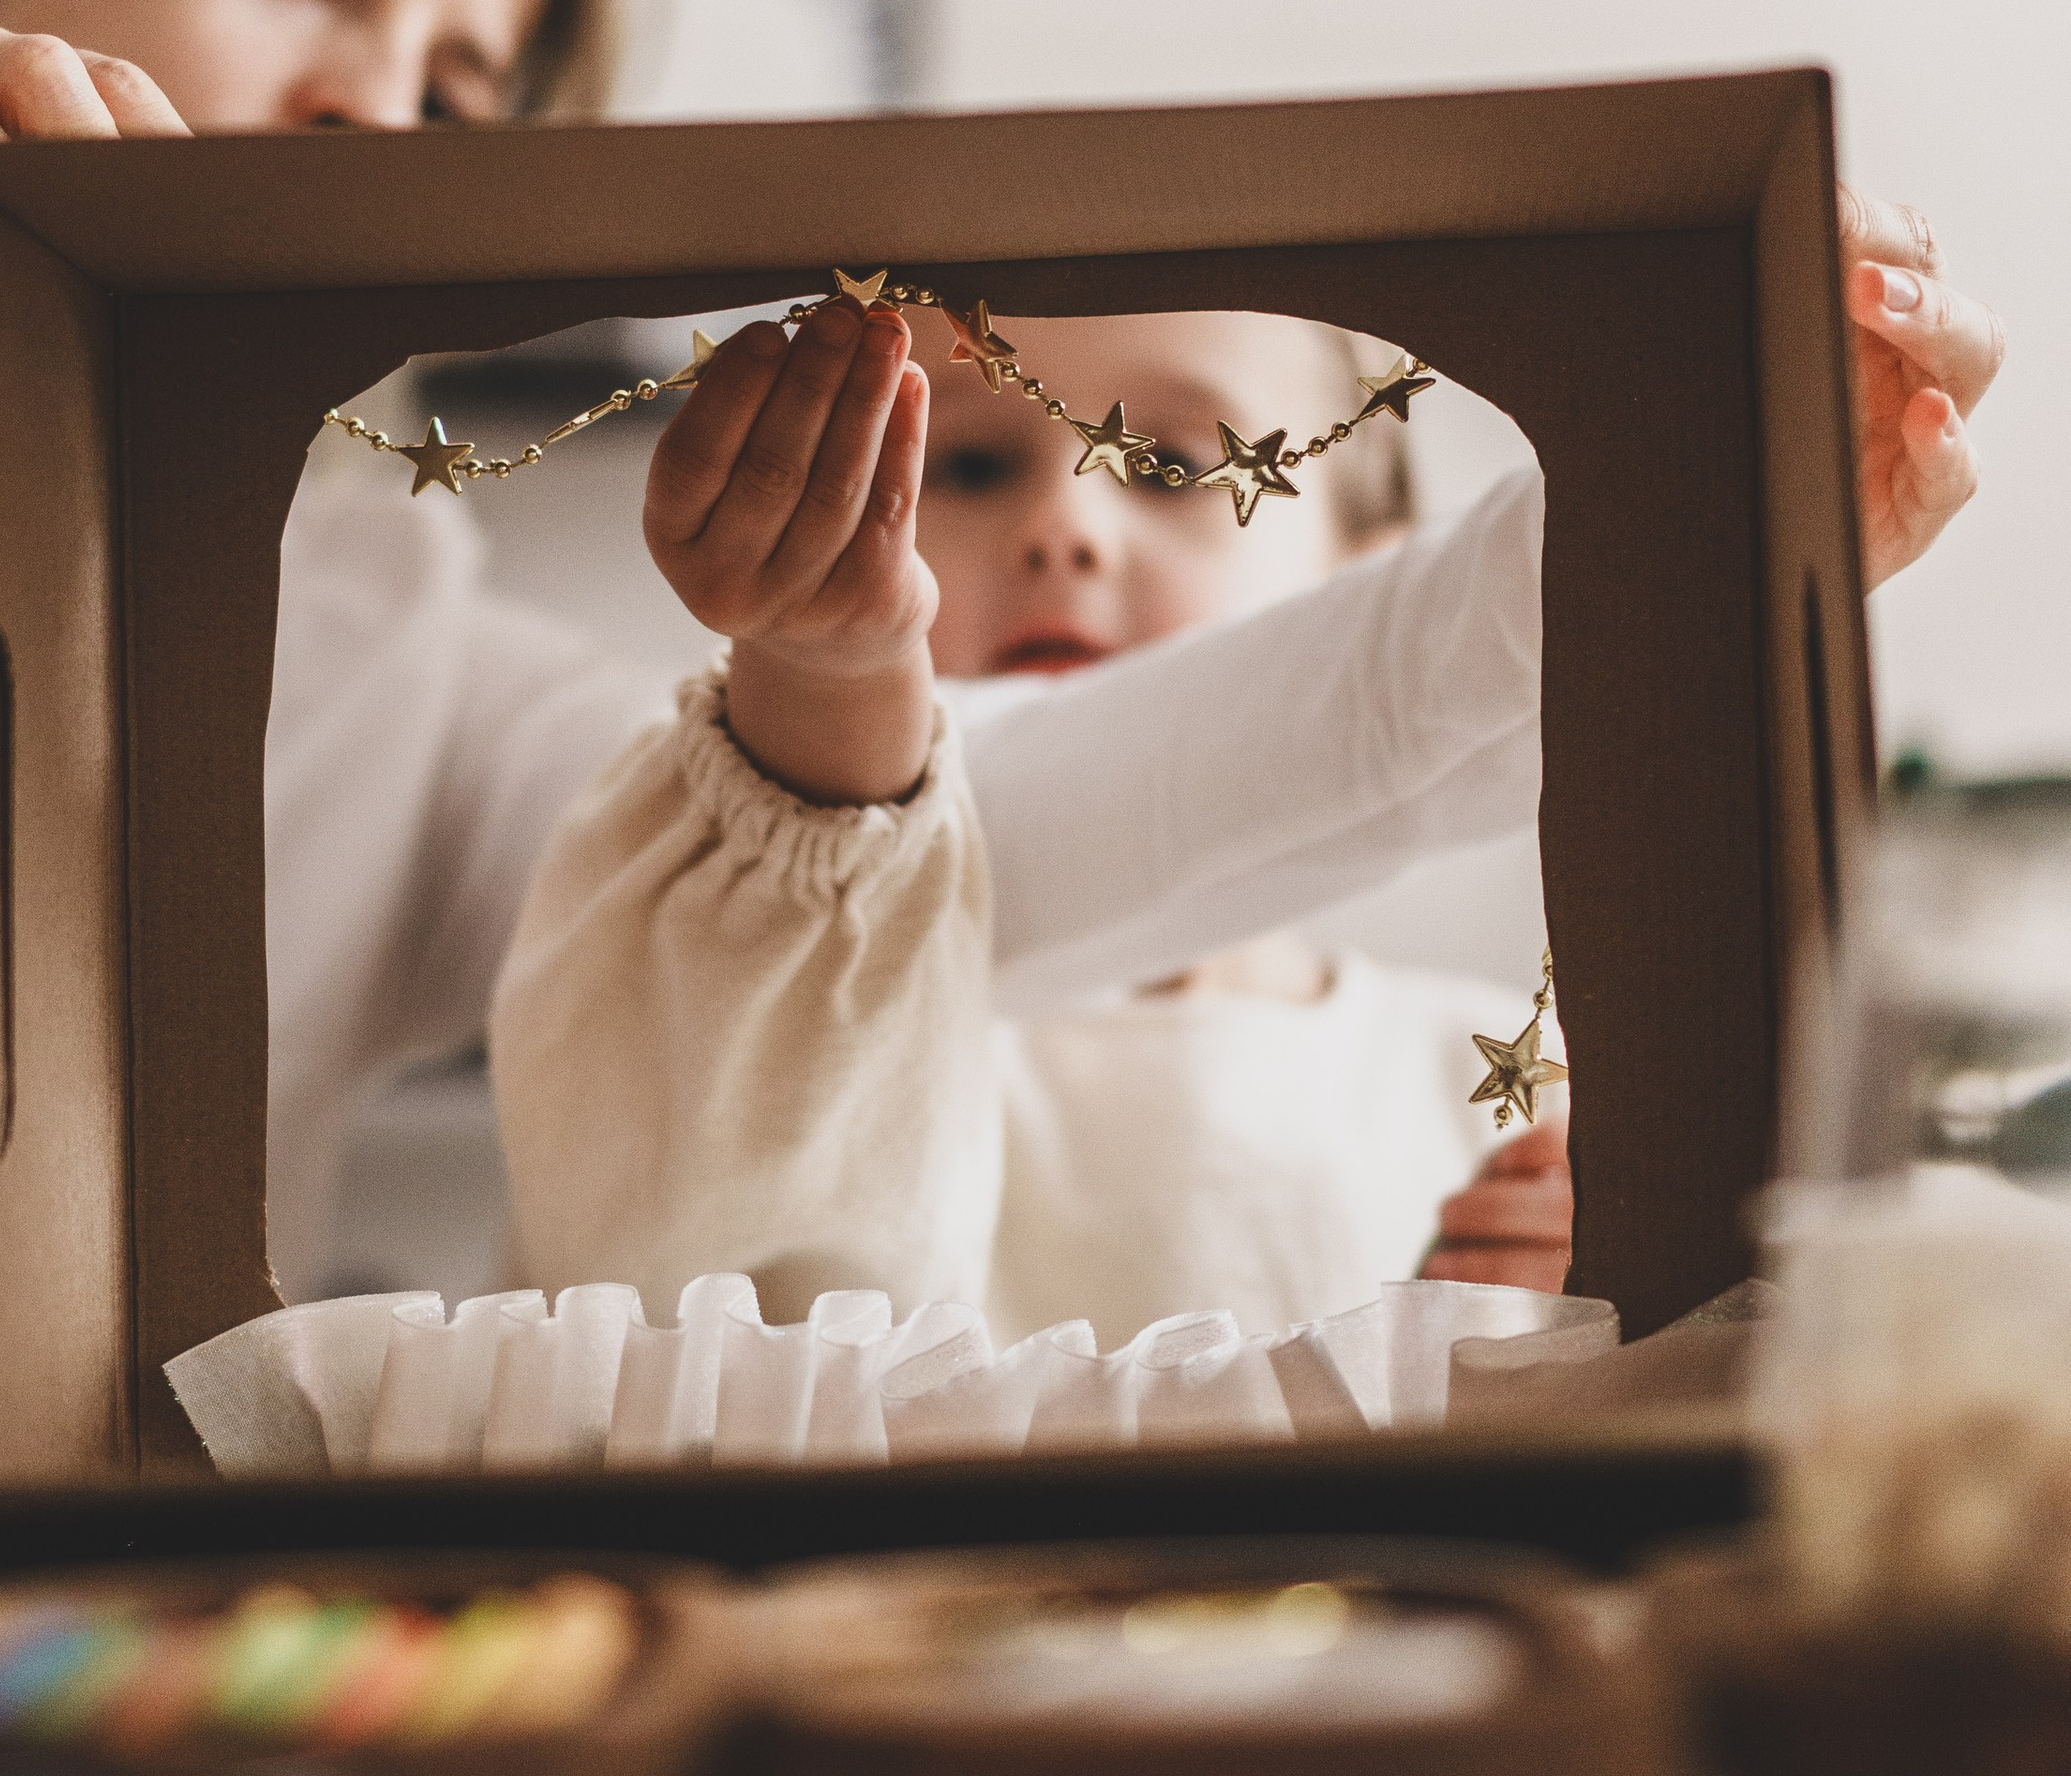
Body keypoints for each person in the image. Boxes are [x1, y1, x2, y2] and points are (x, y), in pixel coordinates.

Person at [0, 0, 2000, 1474]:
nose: (367, 103)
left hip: (3, 1639)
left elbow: (967, 862)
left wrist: (1657, 553)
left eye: (461, 88)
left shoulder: (385, 655)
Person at [490, 249, 2003, 1338]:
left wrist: (1563, 1340)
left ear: (1371, 556)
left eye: (1165, 463)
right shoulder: (753, 1026)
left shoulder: (1484, 1089)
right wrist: (825, 684)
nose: (1063, 529)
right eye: (958, 466)